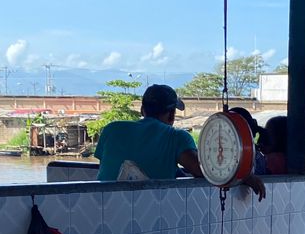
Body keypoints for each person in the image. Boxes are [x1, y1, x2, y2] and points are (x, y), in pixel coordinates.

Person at [95, 84, 265, 197]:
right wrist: (244, 176)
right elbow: (205, 171)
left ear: (142, 109)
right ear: (171, 115)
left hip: (98, 204)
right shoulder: (176, 137)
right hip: (147, 209)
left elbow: (113, 164)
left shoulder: (111, 129)